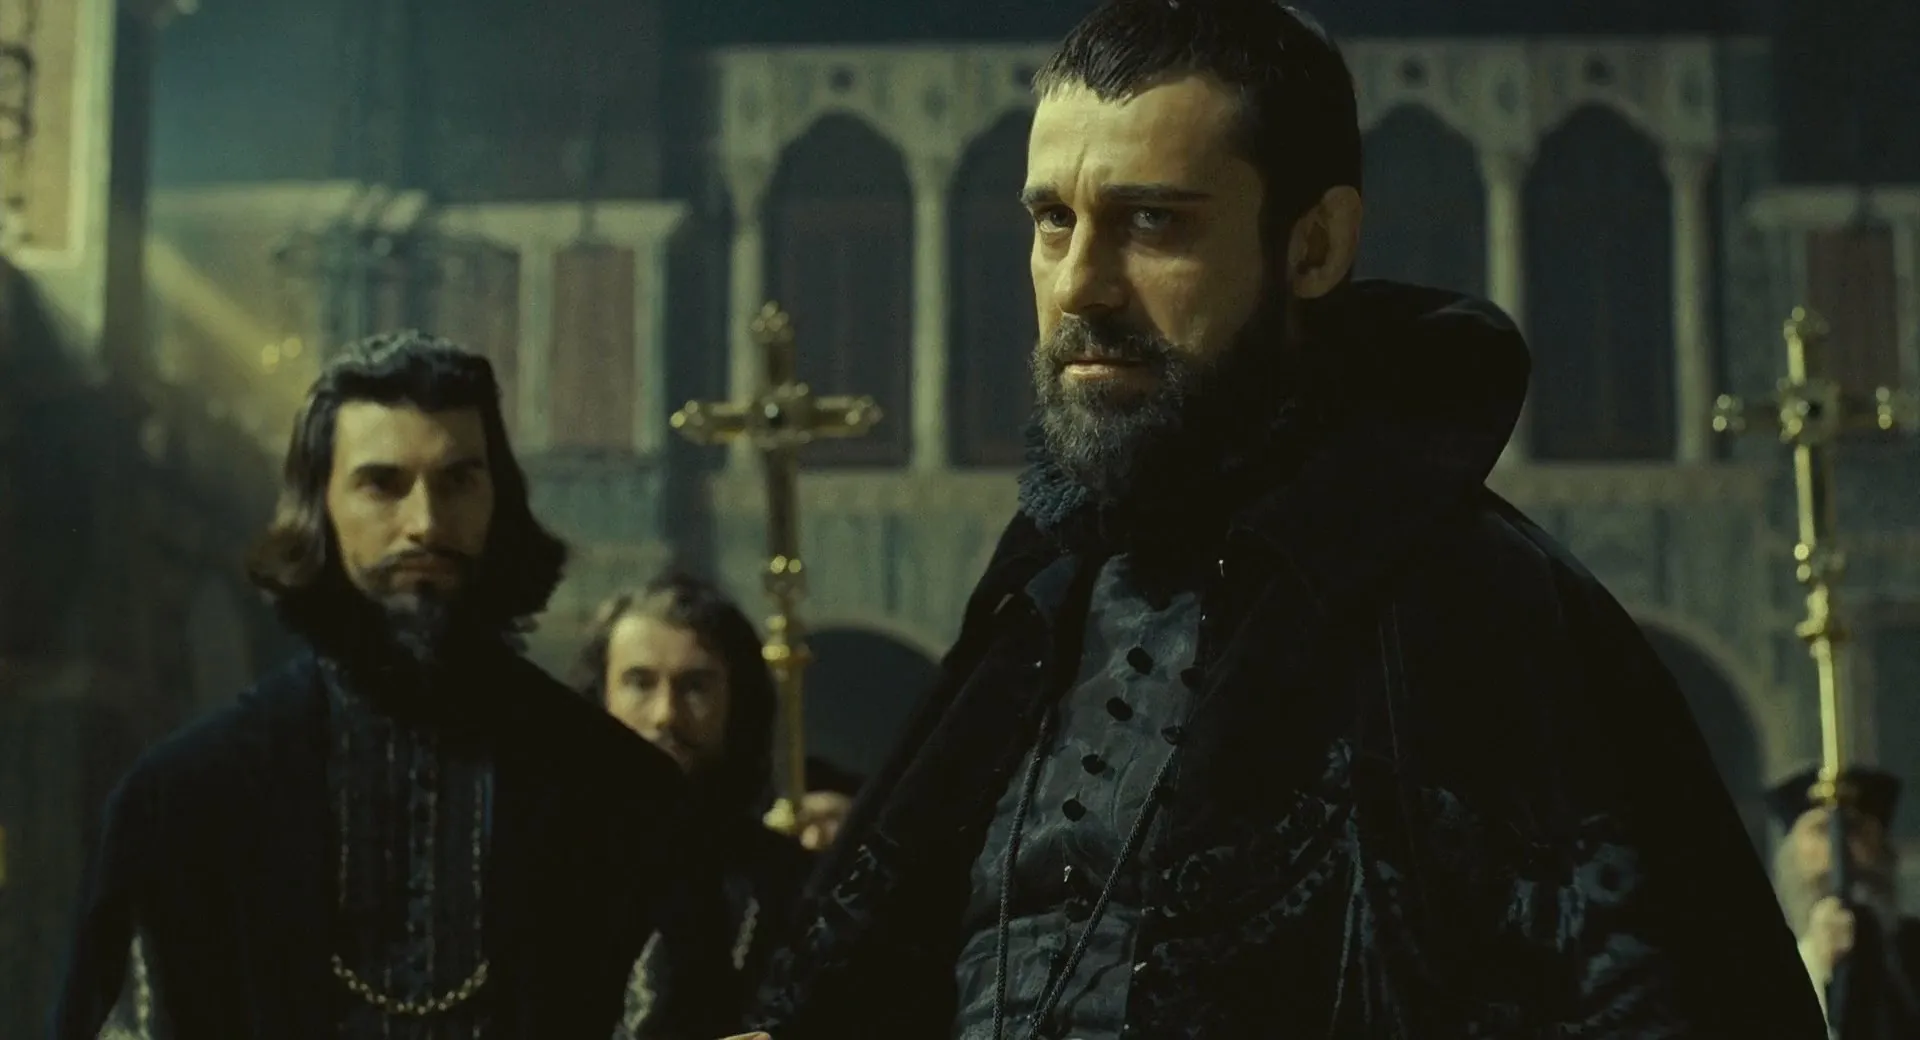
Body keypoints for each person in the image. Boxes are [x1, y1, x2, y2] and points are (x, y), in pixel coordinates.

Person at [744, 2, 1828, 1037]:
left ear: (1313, 247)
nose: (1080, 286)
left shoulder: (1477, 608)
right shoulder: (1040, 590)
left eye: (1153, 221)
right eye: (1053, 221)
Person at [51, 332, 725, 1039]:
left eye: (458, 481)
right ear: (321, 506)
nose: (426, 523)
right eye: (382, 484)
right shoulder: (185, 806)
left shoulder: (625, 798)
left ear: (498, 503)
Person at [574, 575, 811, 1038]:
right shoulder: (542, 866)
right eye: (640, 683)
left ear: (735, 702)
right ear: (601, 696)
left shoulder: (787, 887)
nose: (666, 714)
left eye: (695, 686)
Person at [1768, 765, 1920, 1035]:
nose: (1839, 848)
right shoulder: (1759, 962)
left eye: (1854, 829)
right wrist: (1819, 967)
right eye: (1821, 830)